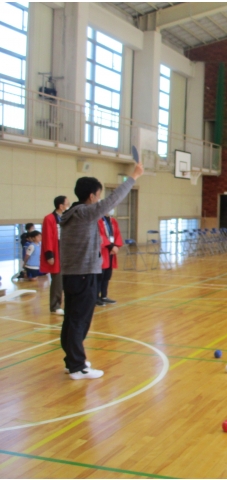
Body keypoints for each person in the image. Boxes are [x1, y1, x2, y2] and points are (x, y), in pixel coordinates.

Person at [59, 162, 143, 380]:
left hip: (71, 274)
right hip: (84, 274)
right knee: (80, 320)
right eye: (98, 195)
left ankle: (71, 361)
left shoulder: (70, 214)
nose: (100, 199)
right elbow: (113, 200)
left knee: (71, 319)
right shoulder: (84, 213)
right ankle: (78, 367)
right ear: (91, 196)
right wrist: (133, 177)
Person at [41, 195, 70, 316]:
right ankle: (55, 306)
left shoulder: (66, 217)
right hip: (56, 251)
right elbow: (47, 237)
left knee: (67, 280)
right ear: (61, 206)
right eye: (67, 204)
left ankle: (65, 304)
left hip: (66, 251)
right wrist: (49, 255)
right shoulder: (49, 218)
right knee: (57, 280)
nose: (68, 206)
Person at [97, 213, 123, 306]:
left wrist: (116, 246)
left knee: (107, 275)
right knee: (100, 275)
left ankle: (104, 296)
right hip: (103, 249)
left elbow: (117, 234)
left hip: (111, 251)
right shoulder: (99, 220)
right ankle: (96, 297)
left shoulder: (113, 221)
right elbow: (100, 235)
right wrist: (110, 246)